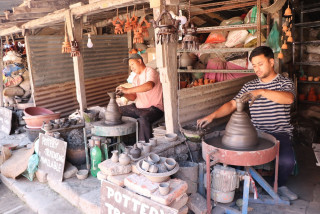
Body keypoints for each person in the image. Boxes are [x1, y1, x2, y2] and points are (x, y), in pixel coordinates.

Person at [197, 46, 297, 200]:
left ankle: (280, 185)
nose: (257, 69)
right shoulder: (249, 86)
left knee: (287, 161)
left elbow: (288, 99)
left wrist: (262, 91)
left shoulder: (284, 83)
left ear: (271, 62)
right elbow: (232, 104)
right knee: (233, 155)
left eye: (260, 64)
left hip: (279, 132)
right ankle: (243, 184)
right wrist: (212, 116)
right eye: (254, 65)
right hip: (256, 132)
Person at [116, 53, 164, 142]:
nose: (131, 68)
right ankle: (126, 141)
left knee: (143, 119)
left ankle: (145, 146)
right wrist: (123, 94)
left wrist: (127, 90)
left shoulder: (150, 71)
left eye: (132, 64)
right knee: (117, 111)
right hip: (139, 109)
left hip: (154, 109)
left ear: (139, 61)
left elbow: (149, 85)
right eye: (130, 66)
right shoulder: (135, 78)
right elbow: (133, 97)